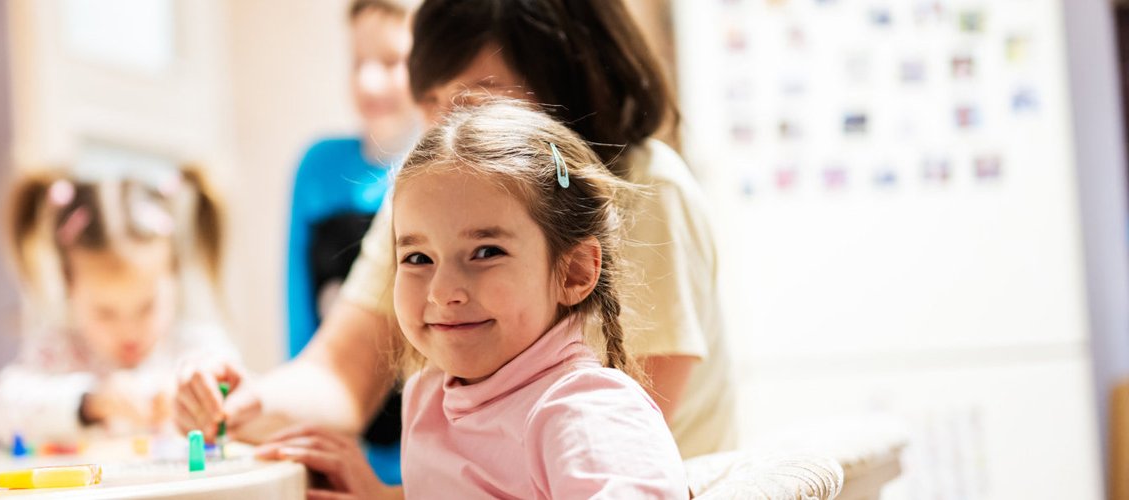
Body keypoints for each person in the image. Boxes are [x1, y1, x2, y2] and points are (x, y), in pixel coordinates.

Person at [179, 0, 735, 461]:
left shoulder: (648, 189)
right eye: (430, 104)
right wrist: (240, 401)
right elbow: (340, 374)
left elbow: (606, 462)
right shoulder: (439, 196)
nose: (450, 132)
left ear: (567, 78)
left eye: (475, 102)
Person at [258, 101, 687, 498]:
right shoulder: (428, 399)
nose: (443, 291)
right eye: (418, 257)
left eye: (486, 252)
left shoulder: (584, 414)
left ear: (574, 272)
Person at [0, 167, 237, 447]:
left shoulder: (196, 347)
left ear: (174, 278)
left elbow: (240, 397)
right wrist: (90, 401)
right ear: (69, 287)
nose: (129, 330)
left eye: (147, 307)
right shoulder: (58, 349)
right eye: (105, 313)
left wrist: (194, 398)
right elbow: (2, 408)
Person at [283, 0, 420, 483]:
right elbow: (300, 308)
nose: (368, 82)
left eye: (389, 62)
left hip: (423, 444)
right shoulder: (317, 168)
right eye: (357, 62)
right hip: (340, 425)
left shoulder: (437, 172)